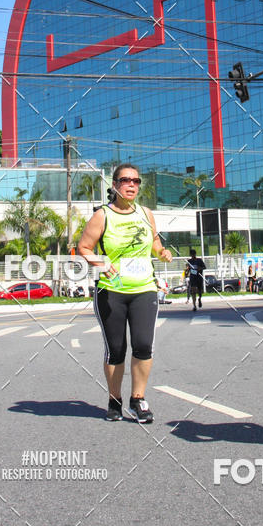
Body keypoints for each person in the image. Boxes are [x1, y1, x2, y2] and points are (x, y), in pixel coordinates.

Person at [78, 163, 173, 423]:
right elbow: (84, 247)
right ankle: (114, 399)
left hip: (144, 289)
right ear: (115, 185)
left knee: (143, 344)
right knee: (116, 349)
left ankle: (138, 399)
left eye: (136, 181)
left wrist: (161, 252)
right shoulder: (102, 215)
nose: (132, 185)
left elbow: (154, 242)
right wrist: (101, 263)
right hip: (112, 291)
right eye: (125, 180)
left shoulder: (145, 213)